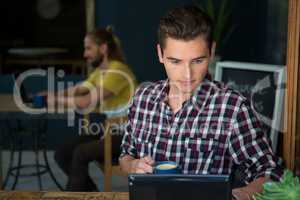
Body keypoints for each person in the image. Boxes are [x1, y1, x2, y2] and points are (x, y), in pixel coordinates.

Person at [119, 5, 284, 200]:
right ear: (160, 54)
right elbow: (126, 154)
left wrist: (243, 193)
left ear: (212, 51)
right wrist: (132, 165)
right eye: (175, 61)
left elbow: (271, 173)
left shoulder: (232, 108)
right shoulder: (142, 98)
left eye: (198, 61)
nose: (187, 75)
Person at [46, 27, 137, 191]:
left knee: (80, 153)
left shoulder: (117, 70)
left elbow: (85, 101)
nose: (84, 54)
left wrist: (53, 100)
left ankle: (75, 194)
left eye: (88, 48)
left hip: (128, 136)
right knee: (63, 152)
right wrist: (51, 94)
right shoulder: (101, 71)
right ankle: (90, 194)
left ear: (103, 48)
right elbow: (79, 89)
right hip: (111, 130)